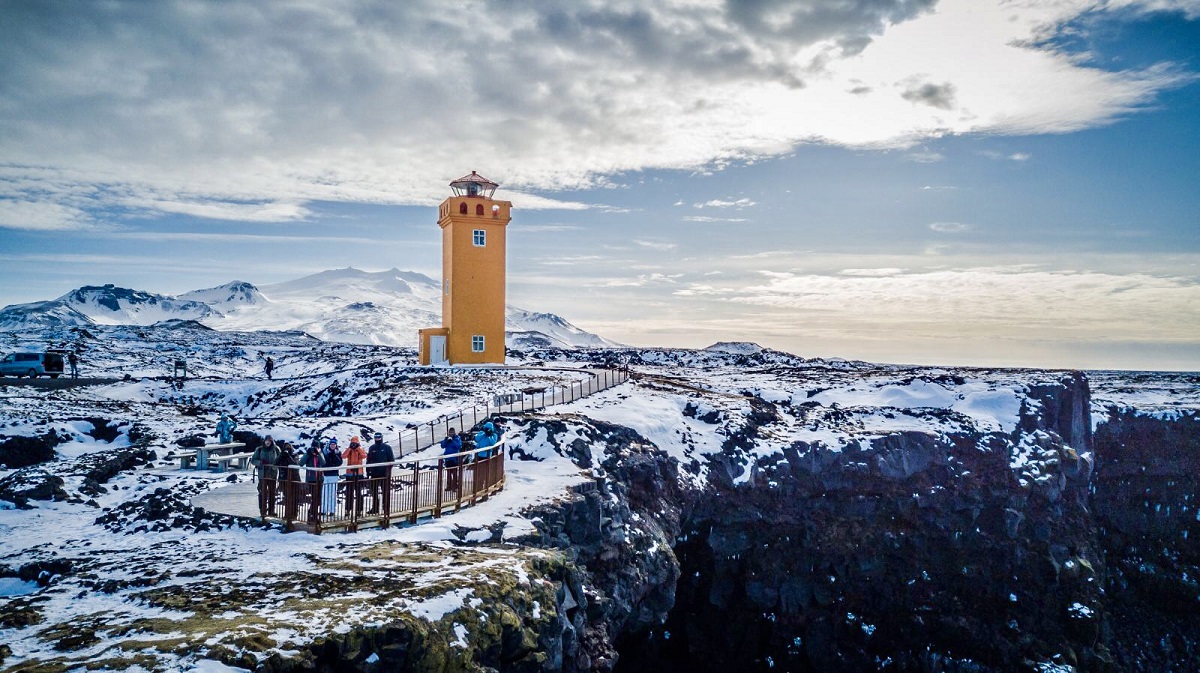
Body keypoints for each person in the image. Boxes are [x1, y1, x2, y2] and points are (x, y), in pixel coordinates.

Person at [250, 435, 281, 517]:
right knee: (262, 493)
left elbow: (280, 459)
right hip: (262, 475)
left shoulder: (276, 449)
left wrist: (276, 465)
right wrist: (260, 462)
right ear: (264, 441)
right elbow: (253, 460)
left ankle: (271, 511)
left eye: (269, 441)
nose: (268, 442)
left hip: (273, 474)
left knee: (272, 493)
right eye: (266, 441)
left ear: (272, 441)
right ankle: (263, 511)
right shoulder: (259, 450)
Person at [366, 432, 394, 515]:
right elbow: (369, 460)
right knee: (374, 492)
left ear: (381, 438)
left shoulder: (387, 447)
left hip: (384, 474)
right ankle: (375, 508)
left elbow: (391, 460)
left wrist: (388, 471)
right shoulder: (372, 448)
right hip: (374, 474)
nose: (377, 438)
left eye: (378, 437)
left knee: (385, 491)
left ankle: (386, 507)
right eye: (375, 437)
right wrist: (368, 471)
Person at [301, 440, 326, 522]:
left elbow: (323, 463)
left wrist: (318, 454)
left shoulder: (320, 453)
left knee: (318, 499)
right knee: (314, 498)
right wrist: (307, 454)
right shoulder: (308, 454)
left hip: (320, 479)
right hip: (311, 479)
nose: (315, 449)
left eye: (317, 447)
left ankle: (313, 514)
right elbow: (300, 463)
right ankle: (312, 515)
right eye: (314, 447)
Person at [342, 436, 367, 516]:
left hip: (359, 474)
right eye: (352, 443)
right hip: (349, 474)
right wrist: (349, 448)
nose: (353, 445)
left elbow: (364, 456)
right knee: (349, 493)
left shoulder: (360, 449)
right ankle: (348, 510)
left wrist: (358, 448)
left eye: (355, 443)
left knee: (359, 493)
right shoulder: (349, 450)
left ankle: (359, 510)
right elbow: (343, 456)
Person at [275, 441, 300, 521]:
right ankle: (287, 514)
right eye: (286, 447)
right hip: (284, 479)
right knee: (287, 497)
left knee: (294, 497)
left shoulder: (294, 455)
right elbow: (275, 463)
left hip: (294, 479)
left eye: (289, 447)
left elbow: (295, 465)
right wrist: (281, 455)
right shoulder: (282, 455)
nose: (287, 449)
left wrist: (288, 456)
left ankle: (294, 514)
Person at [321, 438, 342, 516]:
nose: (333, 446)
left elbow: (339, 463)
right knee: (324, 493)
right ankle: (323, 510)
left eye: (334, 444)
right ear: (329, 445)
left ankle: (332, 510)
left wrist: (334, 456)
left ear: (336, 445)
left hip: (334, 475)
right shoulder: (325, 452)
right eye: (331, 444)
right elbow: (323, 463)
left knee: (332, 494)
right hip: (326, 475)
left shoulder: (338, 452)